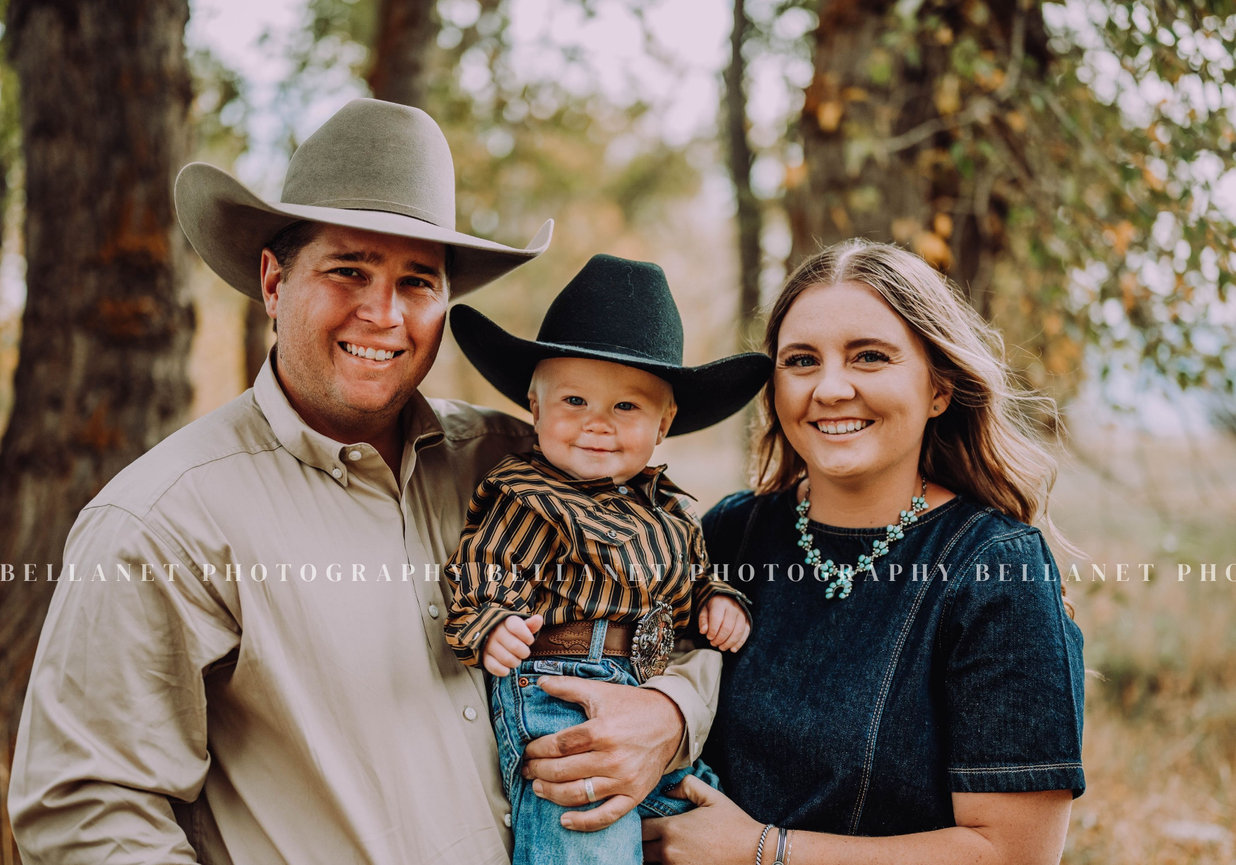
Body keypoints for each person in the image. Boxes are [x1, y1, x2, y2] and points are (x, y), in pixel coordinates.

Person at [10, 99, 725, 865]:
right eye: (349, 269)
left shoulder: (518, 462)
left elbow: (674, 587)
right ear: (274, 281)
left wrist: (671, 712)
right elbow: (88, 812)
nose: (383, 313)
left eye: (417, 281)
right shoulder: (163, 519)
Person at [641, 239, 1085, 865]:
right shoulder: (731, 532)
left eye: (869, 357)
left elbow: (1015, 853)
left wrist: (762, 851)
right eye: (801, 361)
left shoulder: (995, 567)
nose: (829, 389)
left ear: (939, 387)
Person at [443, 253, 769, 864]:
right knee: (585, 832)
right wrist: (493, 626)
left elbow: (689, 582)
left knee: (698, 812)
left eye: (626, 407)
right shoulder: (527, 495)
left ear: (663, 423)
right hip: (556, 691)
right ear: (534, 410)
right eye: (573, 401)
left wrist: (717, 599)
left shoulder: (669, 512)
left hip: (643, 682)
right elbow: (485, 569)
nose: (597, 424)